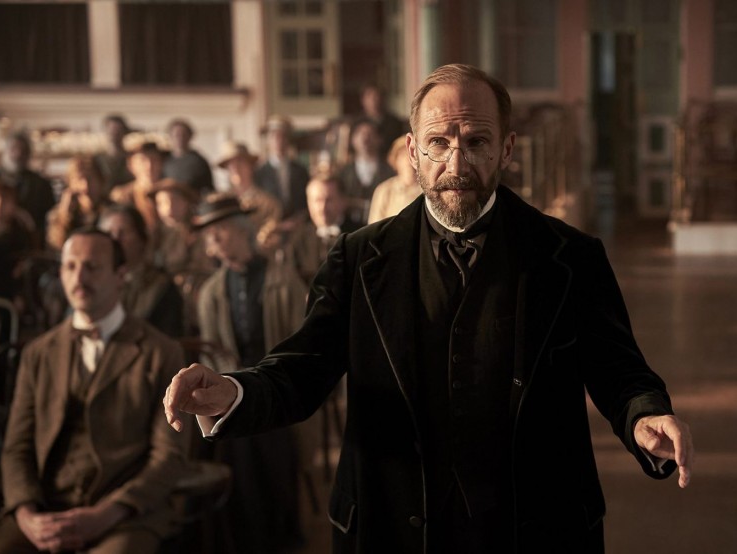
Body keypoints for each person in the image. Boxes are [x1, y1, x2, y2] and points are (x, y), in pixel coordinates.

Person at [164, 63, 693, 553]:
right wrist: (233, 392)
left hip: (535, 525)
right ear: (413, 151)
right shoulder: (357, 257)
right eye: (439, 143)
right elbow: (305, 368)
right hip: (390, 524)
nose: (456, 163)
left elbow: (618, 370)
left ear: (506, 149)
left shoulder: (572, 256)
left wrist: (645, 413)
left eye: (476, 141)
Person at [0, 229, 187, 553]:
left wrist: (106, 514)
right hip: (45, 508)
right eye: (69, 266)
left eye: (92, 267)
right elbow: (16, 447)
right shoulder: (38, 352)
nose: (79, 277)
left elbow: (169, 457)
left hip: (124, 514)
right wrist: (26, 515)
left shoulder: (160, 352)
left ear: (121, 275)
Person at [190, 195, 307, 554]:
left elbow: (303, 344)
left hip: (278, 388)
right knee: (238, 454)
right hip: (233, 393)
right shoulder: (210, 293)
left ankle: (282, 537)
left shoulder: (281, 281)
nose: (213, 247)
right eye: (209, 239)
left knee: (275, 452)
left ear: (241, 232)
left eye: (218, 236)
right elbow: (214, 357)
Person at [98, 205, 185, 337]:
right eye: (109, 234)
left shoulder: (161, 286)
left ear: (141, 239)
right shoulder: (95, 283)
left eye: (122, 233)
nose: (115, 240)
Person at [285, 176, 361, 284]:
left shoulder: (359, 236)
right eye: (317, 200)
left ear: (343, 201)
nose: (323, 208)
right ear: (308, 202)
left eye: (328, 200)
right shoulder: (297, 238)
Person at [0, 133, 55, 246]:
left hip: (26, 242)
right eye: (14, 148)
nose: (18, 154)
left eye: (23, 150)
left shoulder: (40, 184)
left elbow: (49, 219)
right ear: (5, 151)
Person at [216, 141, 282, 247]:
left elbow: (271, 232)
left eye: (240, 162)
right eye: (231, 165)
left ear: (251, 166)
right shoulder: (221, 202)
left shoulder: (268, 203)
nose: (236, 168)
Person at [337, 119, 395, 223]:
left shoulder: (391, 171)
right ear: (353, 140)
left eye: (370, 134)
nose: (365, 138)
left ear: (380, 139)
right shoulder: (343, 172)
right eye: (360, 133)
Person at [46, 156, 108, 252]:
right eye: (79, 180)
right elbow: (56, 247)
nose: (86, 186)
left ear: (100, 181)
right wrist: (64, 217)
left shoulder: (112, 211)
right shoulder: (58, 215)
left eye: (90, 179)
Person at [254, 115, 310, 221]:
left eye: (283, 136)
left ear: (289, 140)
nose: (279, 141)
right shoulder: (260, 173)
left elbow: (306, 201)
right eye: (274, 136)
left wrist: (297, 220)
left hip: (298, 226)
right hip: (271, 226)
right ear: (268, 141)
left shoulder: (300, 171)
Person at [110, 142, 167, 235]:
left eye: (154, 160)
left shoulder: (173, 192)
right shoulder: (122, 196)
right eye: (142, 161)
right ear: (131, 166)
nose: (149, 166)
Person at [367, 137, 422, 224]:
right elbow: (374, 227)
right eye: (403, 155)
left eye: (413, 154)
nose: (408, 160)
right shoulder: (384, 190)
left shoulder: (427, 191)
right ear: (395, 161)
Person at [162, 118, 215, 196]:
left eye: (184, 134)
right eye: (177, 135)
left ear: (190, 136)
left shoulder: (199, 162)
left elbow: (209, 189)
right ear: (170, 137)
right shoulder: (164, 161)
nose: (180, 138)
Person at [359, 83, 409, 159]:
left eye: (376, 96)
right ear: (363, 100)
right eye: (369, 96)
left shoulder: (394, 122)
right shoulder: (358, 124)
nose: (373, 100)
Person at [91, 114, 134, 193]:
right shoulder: (97, 160)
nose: (115, 133)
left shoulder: (132, 158)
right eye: (111, 129)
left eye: (118, 130)